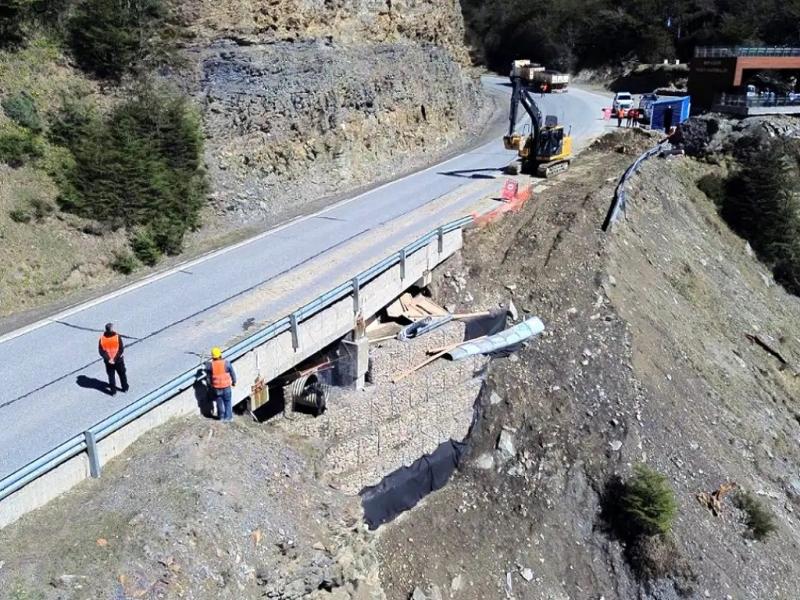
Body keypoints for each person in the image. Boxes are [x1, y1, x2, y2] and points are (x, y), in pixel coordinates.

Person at [205, 347, 236, 422]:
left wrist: (210, 385)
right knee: (227, 402)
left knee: (219, 402)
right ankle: (228, 418)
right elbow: (232, 373)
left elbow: (208, 378)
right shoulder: (226, 363)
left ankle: (221, 417)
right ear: (220, 355)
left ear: (213, 356)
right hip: (226, 387)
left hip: (217, 388)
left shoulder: (210, 366)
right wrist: (234, 382)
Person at [98, 322, 128, 395]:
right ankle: (125, 388)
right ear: (112, 329)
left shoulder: (102, 339)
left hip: (108, 362)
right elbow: (121, 349)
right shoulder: (117, 337)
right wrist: (115, 358)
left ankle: (113, 391)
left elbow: (101, 351)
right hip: (118, 361)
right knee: (122, 374)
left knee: (111, 376)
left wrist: (109, 359)